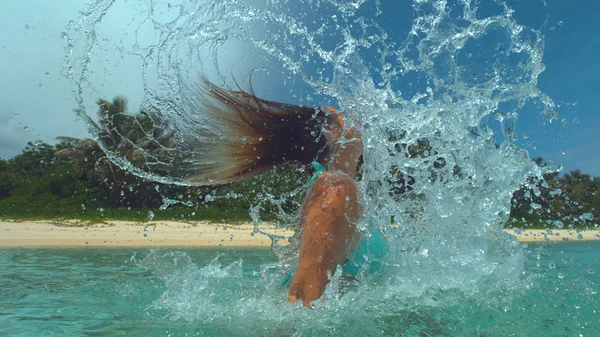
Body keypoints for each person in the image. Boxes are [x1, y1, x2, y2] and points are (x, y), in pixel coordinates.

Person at [186, 79, 364, 307]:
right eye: (343, 116)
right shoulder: (335, 192)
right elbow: (301, 304)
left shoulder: (336, 189)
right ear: (332, 132)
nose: (353, 119)